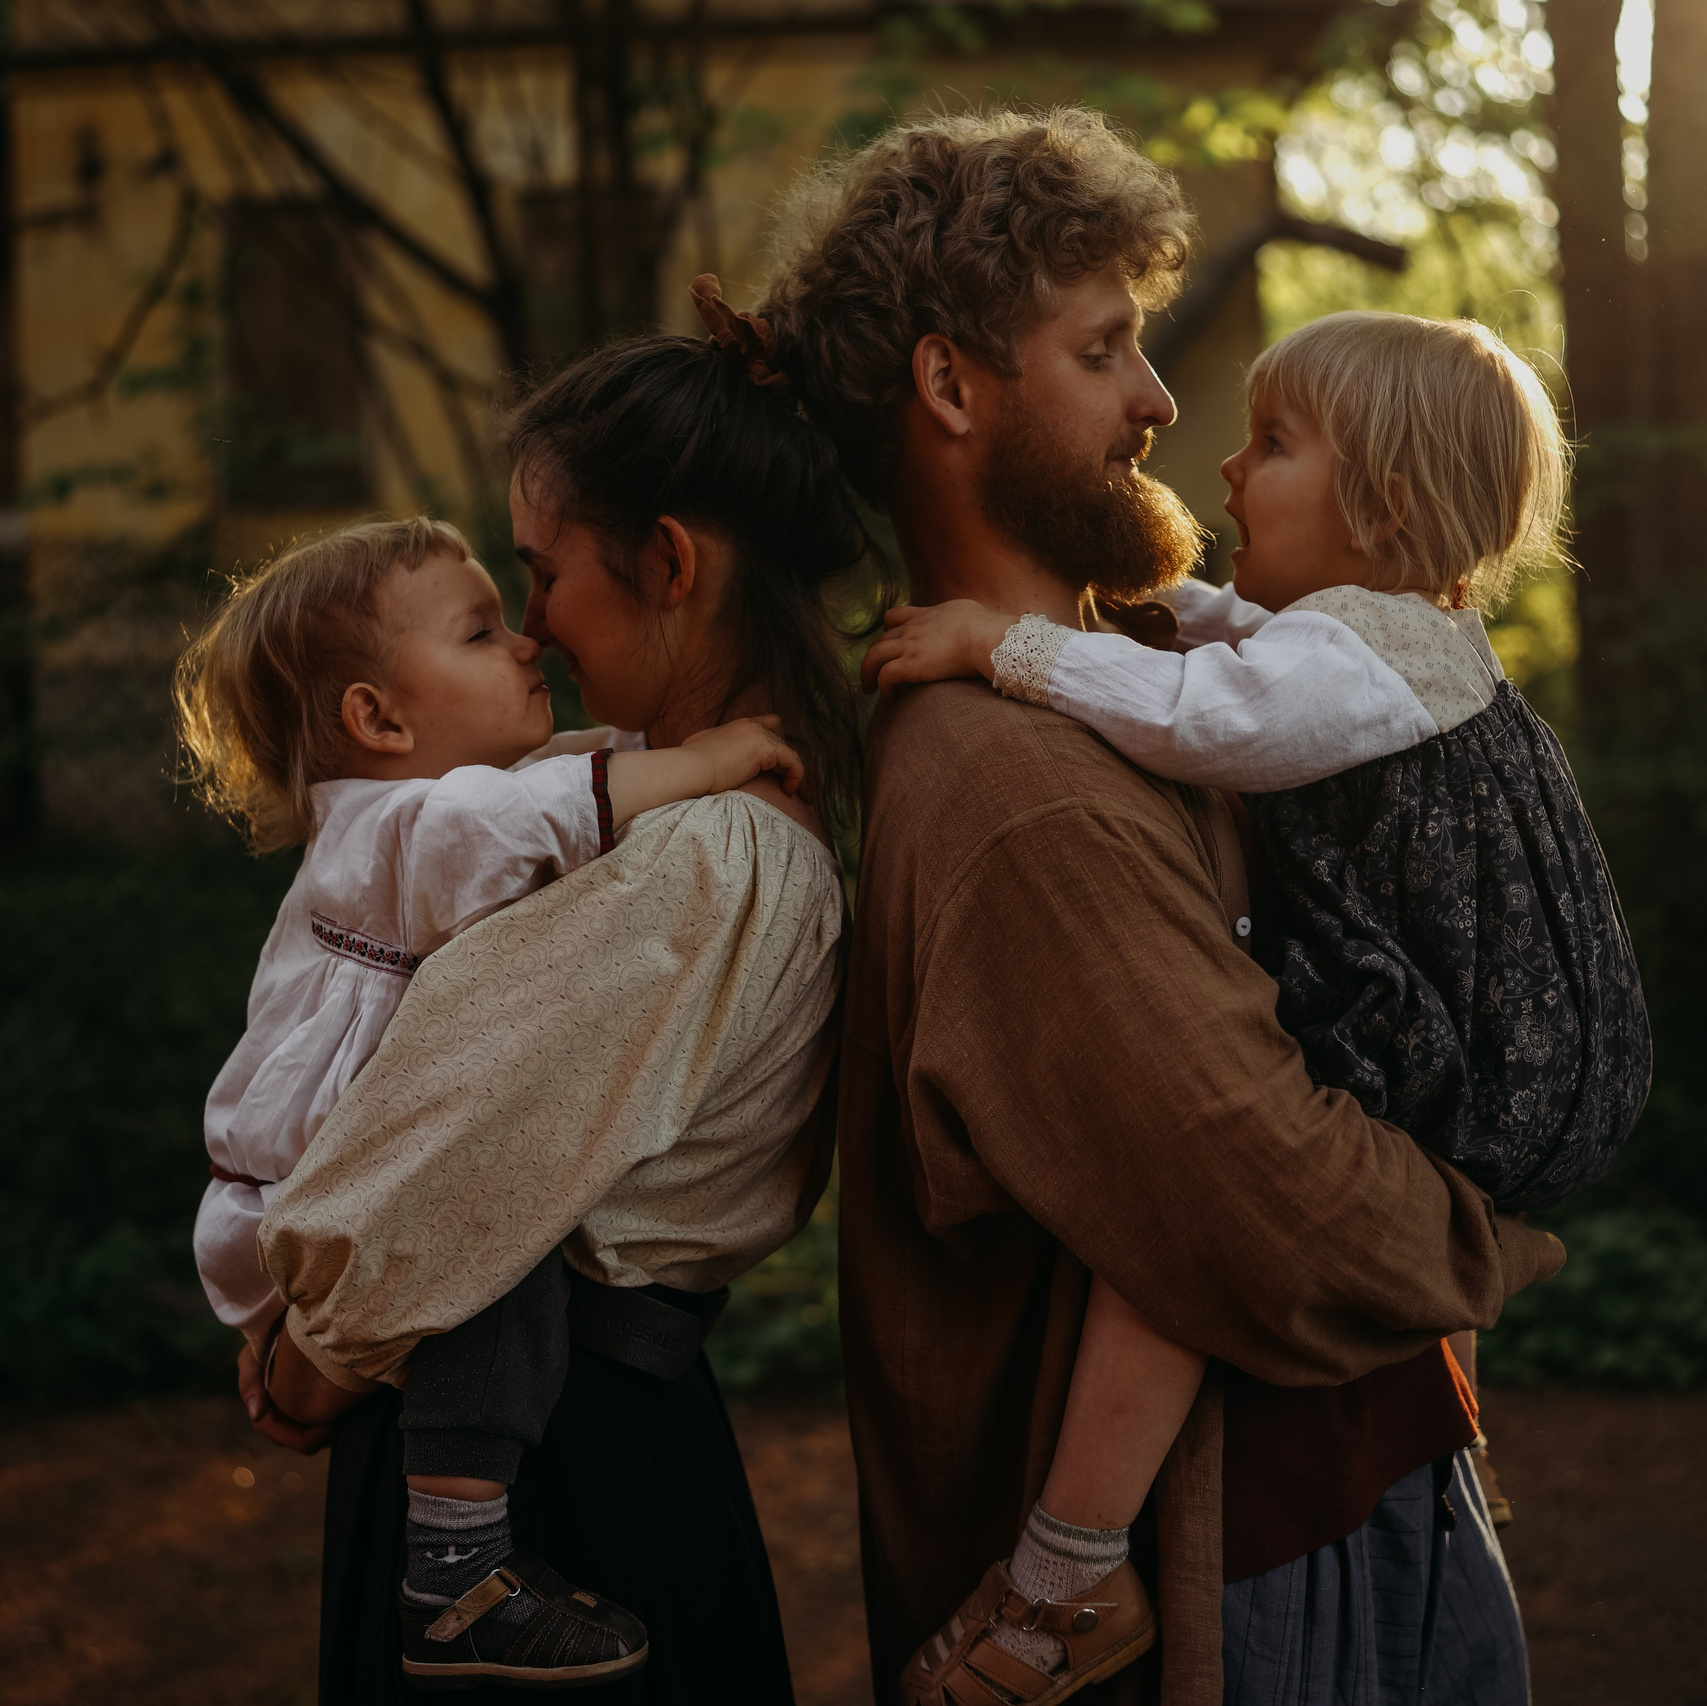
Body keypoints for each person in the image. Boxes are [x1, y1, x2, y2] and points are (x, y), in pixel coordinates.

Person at [758, 107, 1566, 1706]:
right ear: (949, 386)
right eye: (1104, 346)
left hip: (1338, 1496)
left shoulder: (1132, 679)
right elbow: (1260, 1199)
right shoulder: (1014, 784)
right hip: (1268, 1566)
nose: (1157, 399)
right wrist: (1493, 1226)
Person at [860, 307, 1650, 1701]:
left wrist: (1010, 646)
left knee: (1178, 1234)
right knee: (1193, 1210)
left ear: (1381, 504)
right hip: (1452, 1057)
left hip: (1426, 1047)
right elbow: (1217, 643)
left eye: (1272, 444)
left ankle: (1060, 1578)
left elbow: (1211, 714)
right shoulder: (1383, 634)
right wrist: (1138, 605)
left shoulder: (1347, 665)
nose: (1221, 462)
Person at [245, 305, 876, 1705]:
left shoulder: (705, 855)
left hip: (547, 1484)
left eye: (538, 576)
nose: (529, 627)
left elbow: (448, 1147)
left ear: (666, 562)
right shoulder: (650, 795)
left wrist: (309, 1354)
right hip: (546, 1445)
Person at [177, 515, 807, 1687]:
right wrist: (720, 755)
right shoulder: (410, 825)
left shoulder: (420, 810)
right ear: (378, 719)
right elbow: (564, 802)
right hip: (328, 1205)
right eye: (479, 628)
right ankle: (458, 1565)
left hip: (311, 1207)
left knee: (488, 1208)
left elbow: (576, 766)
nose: (525, 638)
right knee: (497, 1221)